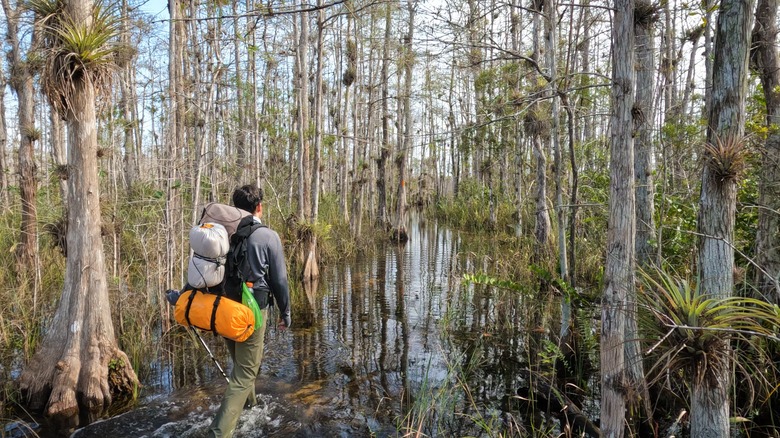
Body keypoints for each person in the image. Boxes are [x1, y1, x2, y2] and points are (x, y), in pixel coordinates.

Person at [208, 184, 291, 438]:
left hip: (222, 306)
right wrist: (286, 312)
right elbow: (279, 280)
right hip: (251, 310)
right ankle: (218, 433)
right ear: (259, 207)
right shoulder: (268, 236)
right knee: (245, 372)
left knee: (242, 364)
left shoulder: (221, 232)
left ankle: (250, 407)